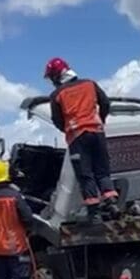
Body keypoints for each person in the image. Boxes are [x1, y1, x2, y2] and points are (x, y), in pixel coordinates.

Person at [45, 57, 116, 225]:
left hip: (78, 137)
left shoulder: (57, 95)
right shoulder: (90, 84)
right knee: (102, 171)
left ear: (56, 76)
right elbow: (105, 103)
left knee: (86, 175)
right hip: (97, 133)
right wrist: (100, 120)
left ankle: (94, 213)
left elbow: (57, 120)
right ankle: (111, 203)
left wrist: (68, 129)